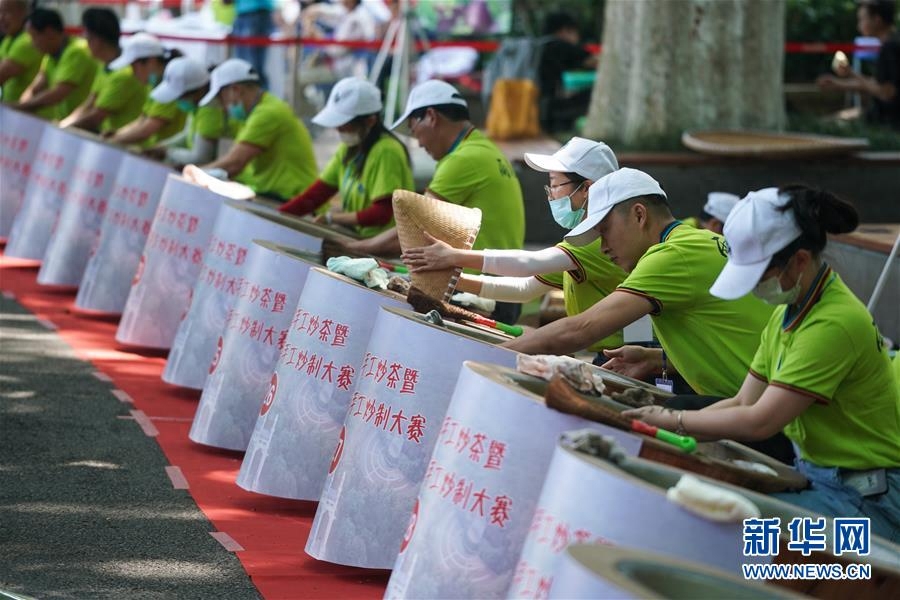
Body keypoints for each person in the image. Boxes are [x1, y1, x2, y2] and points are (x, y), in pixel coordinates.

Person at [625, 186, 900, 542]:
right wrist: (668, 426)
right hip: (821, 478)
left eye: (759, 277)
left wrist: (674, 421)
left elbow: (759, 421)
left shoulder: (833, 324)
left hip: (868, 502)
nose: (754, 290)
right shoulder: (787, 314)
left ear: (800, 260)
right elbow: (742, 402)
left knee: (731, 539)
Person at [504, 168, 774, 400]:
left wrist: (491, 353)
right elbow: (732, 339)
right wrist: (658, 360)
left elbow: (580, 329)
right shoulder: (695, 239)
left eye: (605, 231)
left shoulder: (670, 256)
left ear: (639, 215)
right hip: (764, 394)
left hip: (761, 409)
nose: (604, 248)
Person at [401, 137, 627, 353]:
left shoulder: (596, 241)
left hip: (619, 355)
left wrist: (454, 257)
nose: (551, 195)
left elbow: (528, 263)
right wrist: (453, 279)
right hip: (607, 352)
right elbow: (524, 289)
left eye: (555, 185)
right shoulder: (582, 241)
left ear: (587, 188)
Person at [348, 79, 526, 325]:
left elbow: (413, 229)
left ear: (431, 116)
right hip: (499, 290)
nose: (419, 143)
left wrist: (352, 249)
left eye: (414, 129)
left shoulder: (463, 159)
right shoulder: (486, 150)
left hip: (478, 292)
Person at [279, 76, 413, 238]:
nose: (338, 129)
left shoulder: (386, 151)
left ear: (370, 121)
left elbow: (382, 213)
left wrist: (333, 218)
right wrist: (279, 216)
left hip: (384, 246)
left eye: (344, 124)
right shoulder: (349, 149)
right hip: (360, 238)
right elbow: (317, 195)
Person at [198, 58, 317, 201]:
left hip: (294, 200)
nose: (223, 107)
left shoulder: (267, 113)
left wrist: (196, 176)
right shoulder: (253, 113)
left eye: (221, 98)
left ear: (235, 90)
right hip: (278, 195)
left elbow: (234, 163)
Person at [60, 8, 147, 134]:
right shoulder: (105, 66)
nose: (85, 42)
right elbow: (89, 103)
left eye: (87, 38)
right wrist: (64, 124)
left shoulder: (124, 74)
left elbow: (95, 117)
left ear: (97, 40)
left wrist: (63, 129)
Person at [817, 0, 899, 128]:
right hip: (880, 116)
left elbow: (887, 92)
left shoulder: (889, 47)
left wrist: (851, 73)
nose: (859, 26)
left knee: (825, 125)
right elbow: (879, 83)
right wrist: (839, 84)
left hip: (887, 123)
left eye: (862, 19)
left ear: (877, 20)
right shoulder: (892, 42)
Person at [15, 8, 96, 121]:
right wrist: (19, 107)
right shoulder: (49, 56)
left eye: (33, 37)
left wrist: (19, 107)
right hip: (67, 124)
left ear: (49, 33)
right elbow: (35, 88)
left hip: (84, 125)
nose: (31, 44)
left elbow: (58, 93)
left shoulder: (77, 51)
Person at [107, 33, 187, 148]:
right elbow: (142, 120)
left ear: (151, 61)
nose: (133, 73)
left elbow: (147, 129)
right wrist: (116, 134)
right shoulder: (155, 85)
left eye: (134, 67)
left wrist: (112, 141)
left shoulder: (170, 86)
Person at [145, 57, 226, 166]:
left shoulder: (210, 110)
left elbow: (201, 158)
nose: (178, 102)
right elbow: (187, 135)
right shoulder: (197, 107)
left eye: (180, 97)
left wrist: (168, 152)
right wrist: (162, 147)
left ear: (198, 91)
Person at [537, 11, 597, 133]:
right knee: (596, 92)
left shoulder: (536, 46)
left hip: (531, 106)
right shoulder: (560, 46)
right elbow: (595, 62)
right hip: (549, 110)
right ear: (565, 30)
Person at [0, 0, 42, 103]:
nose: (1, 18)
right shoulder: (9, 39)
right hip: (13, 110)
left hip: (31, 115)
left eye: (7, 12)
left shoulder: (27, 41)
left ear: (24, 13)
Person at [231, 0, 275, 87]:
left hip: (254, 14)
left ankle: (261, 98)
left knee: (251, 71)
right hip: (245, 14)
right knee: (245, 70)